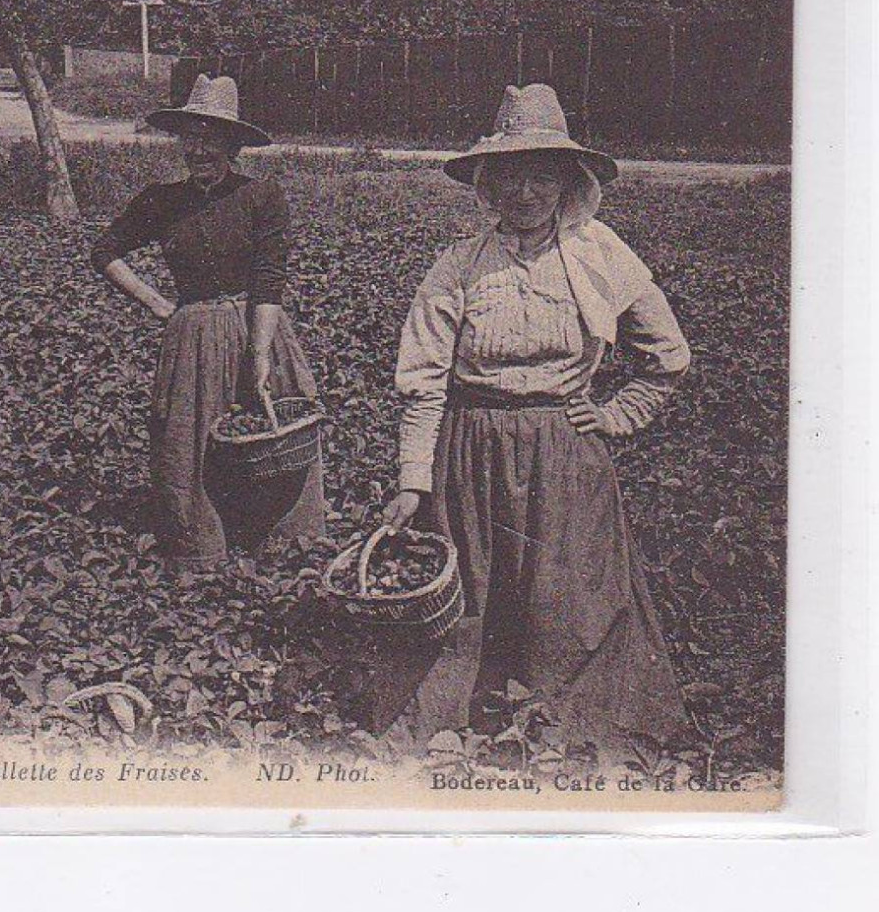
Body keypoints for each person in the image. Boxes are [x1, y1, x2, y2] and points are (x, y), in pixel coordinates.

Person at [377, 83, 693, 756]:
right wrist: (413, 479)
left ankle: (569, 733)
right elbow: (423, 381)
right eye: (511, 175)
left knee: (570, 598)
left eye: (541, 174)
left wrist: (615, 414)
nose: (526, 191)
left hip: (565, 449)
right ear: (487, 184)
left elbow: (668, 354)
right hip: (471, 449)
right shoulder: (458, 266)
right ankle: (465, 727)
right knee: (472, 595)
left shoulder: (599, 253)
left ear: (567, 180)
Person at [91, 74, 325, 571]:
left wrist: (259, 353)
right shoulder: (162, 201)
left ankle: (282, 545)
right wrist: (157, 303)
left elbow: (269, 280)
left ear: (233, 145)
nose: (200, 150)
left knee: (272, 427)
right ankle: (201, 550)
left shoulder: (261, 197)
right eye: (192, 138)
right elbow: (105, 251)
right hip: (193, 334)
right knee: (191, 440)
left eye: (213, 139)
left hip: (257, 326)